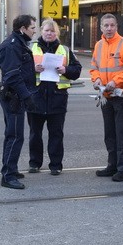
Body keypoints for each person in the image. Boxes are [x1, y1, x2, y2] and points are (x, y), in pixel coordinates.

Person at [26, 18, 81, 176]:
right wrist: (32, 68)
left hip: (57, 99)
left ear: (57, 33)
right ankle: (34, 163)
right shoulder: (31, 48)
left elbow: (77, 70)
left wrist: (66, 70)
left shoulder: (64, 49)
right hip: (35, 99)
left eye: (52, 31)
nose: (49, 33)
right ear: (41, 31)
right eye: (46, 30)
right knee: (35, 134)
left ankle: (56, 165)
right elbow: (21, 69)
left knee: (56, 134)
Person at [89, 13, 123, 181]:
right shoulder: (99, 45)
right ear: (101, 27)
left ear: (117, 27)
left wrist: (116, 81)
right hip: (106, 95)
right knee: (109, 133)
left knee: (121, 133)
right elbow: (94, 67)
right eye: (106, 26)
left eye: (112, 25)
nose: (109, 28)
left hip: (122, 95)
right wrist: (97, 79)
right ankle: (112, 165)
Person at [0, 14, 38, 190]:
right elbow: (12, 75)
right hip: (14, 96)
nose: (35, 31)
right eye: (32, 28)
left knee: (12, 134)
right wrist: (27, 97)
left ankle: (10, 168)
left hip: (15, 95)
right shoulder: (13, 46)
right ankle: (8, 175)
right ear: (23, 29)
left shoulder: (18, 43)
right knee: (15, 136)